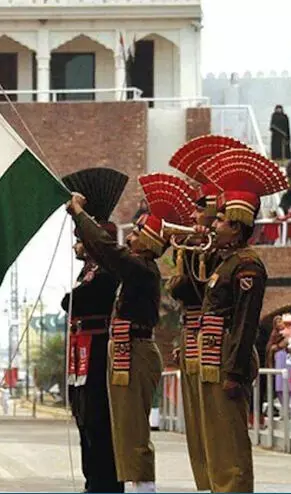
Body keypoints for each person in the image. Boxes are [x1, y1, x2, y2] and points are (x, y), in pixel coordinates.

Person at [67, 172, 196, 493]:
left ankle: (143, 488)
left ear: (149, 242)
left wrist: (80, 214)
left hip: (136, 352)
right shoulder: (137, 269)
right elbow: (106, 252)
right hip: (127, 350)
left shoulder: (140, 268)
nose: (131, 237)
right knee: (123, 427)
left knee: (133, 429)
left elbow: (107, 249)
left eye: (137, 233)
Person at [195, 147, 288, 492]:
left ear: (236, 226)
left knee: (230, 440)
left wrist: (234, 372)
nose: (214, 224)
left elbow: (246, 322)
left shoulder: (248, 265)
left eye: (220, 220)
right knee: (215, 439)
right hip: (213, 356)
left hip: (227, 358)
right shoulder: (226, 261)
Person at [166, 135, 238, 492]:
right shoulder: (203, 248)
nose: (193, 217)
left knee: (219, 432)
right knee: (198, 428)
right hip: (196, 338)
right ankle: (207, 485)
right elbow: (181, 289)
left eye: (201, 211)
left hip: (216, 346)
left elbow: (190, 289)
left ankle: (220, 485)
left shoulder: (232, 259)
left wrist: (194, 249)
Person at [60, 167, 127, 493]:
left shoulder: (108, 271)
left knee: (99, 420)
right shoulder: (90, 272)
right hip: (82, 349)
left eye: (80, 240)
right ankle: (93, 481)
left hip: (99, 351)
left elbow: (74, 302)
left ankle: (105, 483)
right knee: (84, 419)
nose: (76, 246)